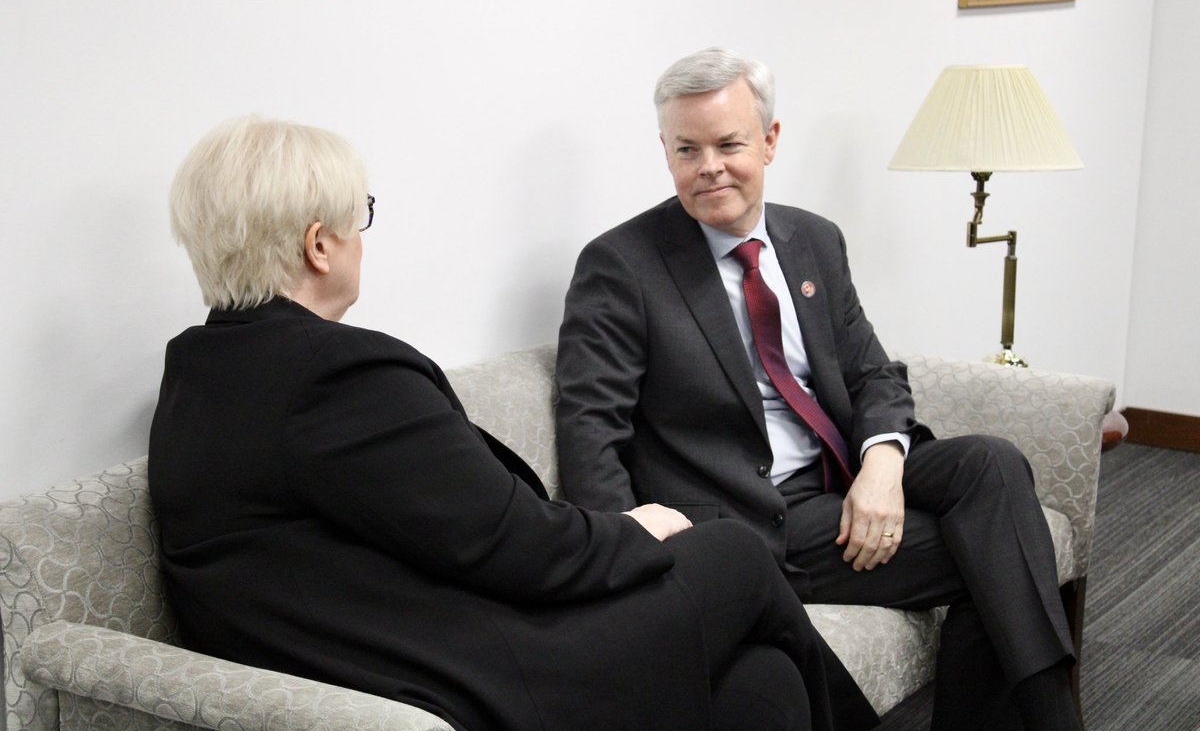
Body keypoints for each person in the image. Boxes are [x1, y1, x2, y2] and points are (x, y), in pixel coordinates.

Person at [149, 115, 880, 731]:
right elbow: (516, 545)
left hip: (394, 657)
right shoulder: (338, 376)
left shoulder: (197, 373)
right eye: (357, 218)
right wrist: (633, 529)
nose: (359, 238)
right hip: (480, 680)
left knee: (763, 685)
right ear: (319, 245)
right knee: (734, 554)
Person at [555, 48, 1083, 731]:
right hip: (757, 517)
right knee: (1000, 557)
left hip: (841, 472)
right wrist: (630, 553)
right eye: (687, 149)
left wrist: (883, 465)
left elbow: (873, 374)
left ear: (770, 141)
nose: (707, 165)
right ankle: (1056, 719)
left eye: (728, 144)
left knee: (993, 463)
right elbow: (589, 425)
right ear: (665, 151)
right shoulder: (622, 265)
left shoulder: (812, 240)